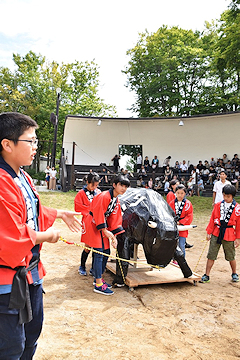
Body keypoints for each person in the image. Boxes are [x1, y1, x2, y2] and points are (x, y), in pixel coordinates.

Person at [0, 112, 82, 359]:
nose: (36, 147)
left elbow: (30, 213)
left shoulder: (22, 176)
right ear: (7, 144)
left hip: (31, 274)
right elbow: (11, 234)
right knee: (11, 347)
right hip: (9, 280)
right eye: (31, 141)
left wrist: (59, 213)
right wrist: (46, 236)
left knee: (31, 336)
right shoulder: (2, 181)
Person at [81, 175, 130, 295]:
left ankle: (98, 278)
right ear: (114, 185)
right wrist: (104, 230)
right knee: (99, 252)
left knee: (106, 252)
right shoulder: (105, 196)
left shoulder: (115, 199)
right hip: (94, 223)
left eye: (126, 186)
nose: (123, 188)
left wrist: (113, 236)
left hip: (101, 225)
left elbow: (114, 217)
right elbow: (98, 213)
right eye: (121, 185)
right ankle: (98, 284)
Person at [201, 184, 240, 283]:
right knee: (211, 254)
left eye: (228, 196)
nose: (226, 198)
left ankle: (234, 273)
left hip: (229, 233)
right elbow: (212, 219)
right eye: (224, 196)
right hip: (216, 231)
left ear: (232, 196)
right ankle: (207, 274)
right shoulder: (218, 205)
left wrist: (237, 238)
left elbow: (239, 224)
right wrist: (209, 232)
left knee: (231, 255)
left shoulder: (237, 208)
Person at [74, 172, 100, 276]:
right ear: (87, 182)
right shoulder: (81, 193)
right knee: (88, 245)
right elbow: (78, 207)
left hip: (97, 221)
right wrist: (91, 210)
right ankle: (82, 266)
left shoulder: (98, 192)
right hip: (88, 221)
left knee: (97, 245)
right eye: (92, 185)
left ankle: (94, 268)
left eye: (97, 185)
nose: (95, 187)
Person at [169, 185, 193, 257]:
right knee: (172, 245)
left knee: (181, 245)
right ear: (175, 193)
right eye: (178, 193)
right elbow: (168, 214)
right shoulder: (171, 203)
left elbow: (189, 216)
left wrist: (180, 222)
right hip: (173, 226)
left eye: (182, 193)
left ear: (185, 193)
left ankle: (182, 261)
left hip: (182, 227)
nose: (180, 195)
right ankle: (173, 260)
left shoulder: (188, 204)